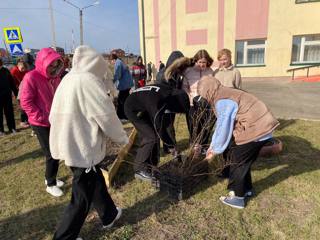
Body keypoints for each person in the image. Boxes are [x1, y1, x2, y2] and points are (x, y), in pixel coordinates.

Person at [50, 45, 128, 240]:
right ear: (95, 64)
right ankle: (64, 237)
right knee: (81, 196)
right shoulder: (88, 81)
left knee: (95, 180)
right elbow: (106, 115)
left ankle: (109, 215)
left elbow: (53, 114)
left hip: (69, 141)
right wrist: (122, 138)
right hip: (81, 145)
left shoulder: (67, 79)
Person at [198, 76, 279, 209]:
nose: (206, 100)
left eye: (204, 96)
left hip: (256, 128)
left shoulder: (222, 100)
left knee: (237, 160)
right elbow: (221, 126)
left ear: (208, 91)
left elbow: (223, 128)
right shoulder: (225, 92)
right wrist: (212, 145)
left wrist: (214, 151)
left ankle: (238, 198)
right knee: (243, 160)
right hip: (262, 126)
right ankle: (247, 189)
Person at [20, 48, 64, 197]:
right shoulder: (31, 77)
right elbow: (26, 102)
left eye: (56, 64)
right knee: (51, 153)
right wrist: (41, 117)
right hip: (40, 123)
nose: (53, 68)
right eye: (51, 65)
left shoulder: (55, 78)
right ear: (43, 63)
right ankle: (50, 183)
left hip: (54, 120)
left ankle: (50, 178)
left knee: (57, 151)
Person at [124, 84, 190, 181]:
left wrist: (170, 144)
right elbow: (160, 128)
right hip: (133, 109)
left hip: (143, 104)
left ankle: (151, 165)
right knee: (150, 137)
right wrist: (171, 146)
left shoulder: (168, 93)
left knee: (153, 135)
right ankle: (139, 170)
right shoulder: (157, 102)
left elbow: (163, 125)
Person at [165, 49, 215, 149]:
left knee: (205, 126)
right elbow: (185, 88)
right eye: (200, 62)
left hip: (207, 103)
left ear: (208, 61)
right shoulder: (189, 71)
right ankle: (194, 144)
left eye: (204, 62)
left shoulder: (210, 71)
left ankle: (203, 144)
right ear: (196, 61)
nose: (202, 64)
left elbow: (213, 86)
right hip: (192, 103)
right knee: (193, 126)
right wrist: (190, 99)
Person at [156, 50, 185, 155]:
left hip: (171, 102)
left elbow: (177, 87)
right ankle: (171, 147)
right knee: (167, 126)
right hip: (163, 103)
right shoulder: (162, 74)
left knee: (169, 124)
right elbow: (160, 91)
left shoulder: (175, 72)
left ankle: (168, 147)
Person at [110, 53, 134, 122]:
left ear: (113, 59)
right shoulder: (120, 62)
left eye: (111, 61)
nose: (111, 63)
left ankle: (122, 116)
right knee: (124, 99)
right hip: (127, 83)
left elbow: (118, 74)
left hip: (125, 84)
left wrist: (112, 80)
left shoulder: (118, 63)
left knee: (121, 100)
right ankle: (124, 115)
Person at [0, 58, 18, 136]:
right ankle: (1, 130)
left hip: (7, 95)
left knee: (9, 112)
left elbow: (12, 83)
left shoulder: (6, 71)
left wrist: (16, 93)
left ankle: (12, 128)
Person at [10, 60, 29, 128]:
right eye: (22, 68)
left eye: (24, 68)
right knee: (22, 106)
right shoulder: (14, 71)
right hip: (17, 91)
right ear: (18, 66)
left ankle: (27, 120)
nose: (23, 70)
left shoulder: (26, 71)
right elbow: (11, 82)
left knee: (26, 105)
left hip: (25, 89)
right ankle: (22, 121)